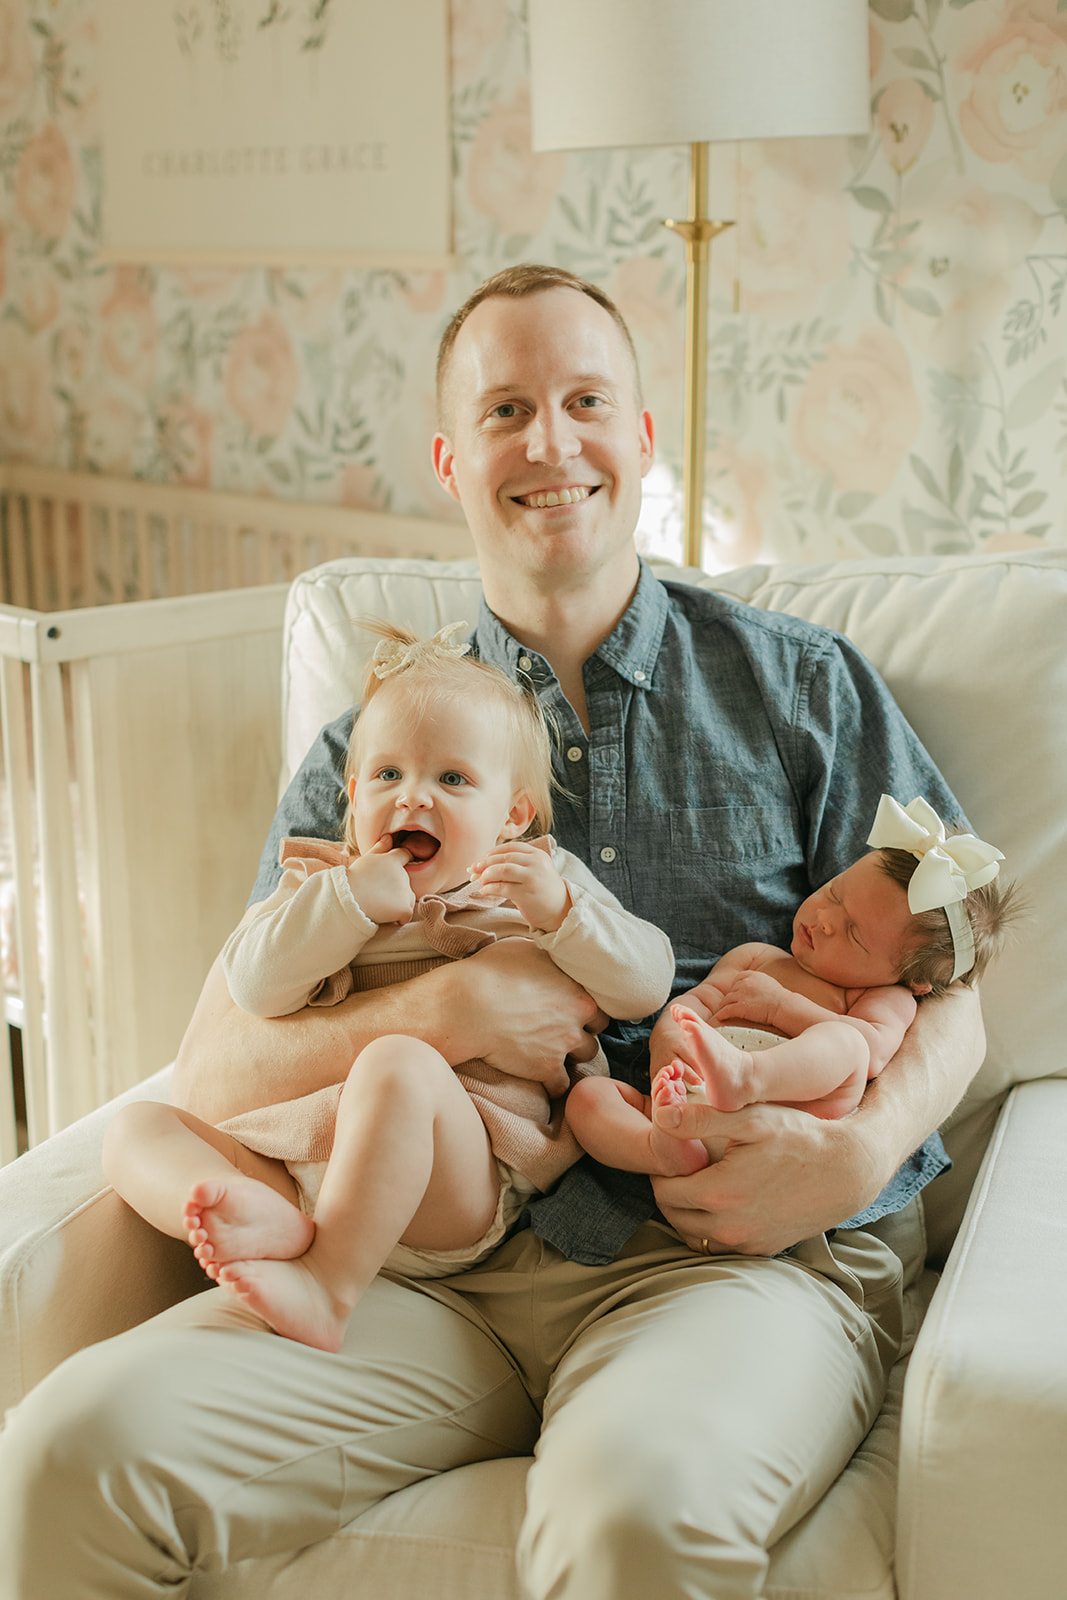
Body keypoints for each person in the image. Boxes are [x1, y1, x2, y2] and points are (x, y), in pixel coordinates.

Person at [0, 264, 987, 1600]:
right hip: (424, 1259)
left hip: (725, 1268)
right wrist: (447, 1016)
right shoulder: (372, 748)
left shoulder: (798, 685)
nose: (550, 442)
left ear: (642, 440)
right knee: (67, 1452)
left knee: (626, 1522)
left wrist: (857, 1142)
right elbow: (217, 1065)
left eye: (585, 401)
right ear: (448, 457)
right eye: (507, 408)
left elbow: (962, 977)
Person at [100, 620, 674, 1353]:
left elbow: (645, 984)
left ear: (513, 816)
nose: (412, 799)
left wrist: (562, 917)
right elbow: (252, 985)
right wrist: (347, 901)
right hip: (298, 1167)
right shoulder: (322, 883)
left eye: (452, 779)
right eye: (387, 775)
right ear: (351, 793)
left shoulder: (537, 883)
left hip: (454, 1179)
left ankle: (328, 1287)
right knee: (136, 1129)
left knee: (397, 1062)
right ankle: (256, 1217)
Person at [568, 793, 1017, 1178]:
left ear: (914, 981)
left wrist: (782, 1009)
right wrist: (670, 1037)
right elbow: (694, 1004)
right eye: (835, 893)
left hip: (782, 1125)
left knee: (848, 1046)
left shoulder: (881, 997)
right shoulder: (756, 957)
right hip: (685, 1099)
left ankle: (748, 1076)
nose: (822, 921)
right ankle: (661, 1152)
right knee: (589, 1098)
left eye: (854, 934)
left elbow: (875, 1052)